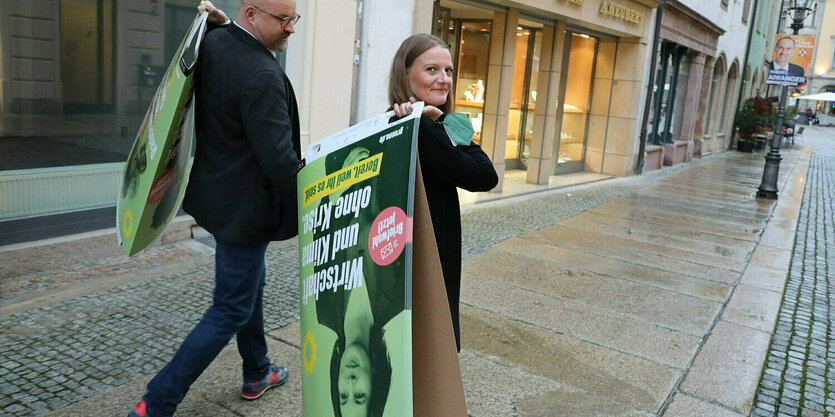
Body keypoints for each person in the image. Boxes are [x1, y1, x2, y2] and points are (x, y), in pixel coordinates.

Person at [127, 0, 301, 415]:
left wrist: (219, 22)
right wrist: (316, 204)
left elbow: (219, 41)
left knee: (248, 289)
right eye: (283, 19)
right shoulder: (261, 73)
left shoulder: (218, 43)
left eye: (294, 19)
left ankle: (257, 370)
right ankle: (156, 402)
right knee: (231, 307)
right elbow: (280, 163)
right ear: (252, 13)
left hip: (219, 199)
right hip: (247, 211)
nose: (290, 29)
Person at [389, 34, 499, 352]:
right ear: (405, 73)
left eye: (449, 71)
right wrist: (445, 121)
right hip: (429, 256)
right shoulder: (423, 130)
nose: (444, 79)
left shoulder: (408, 121)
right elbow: (485, 175)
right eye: (432, 69)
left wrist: (441, 117)